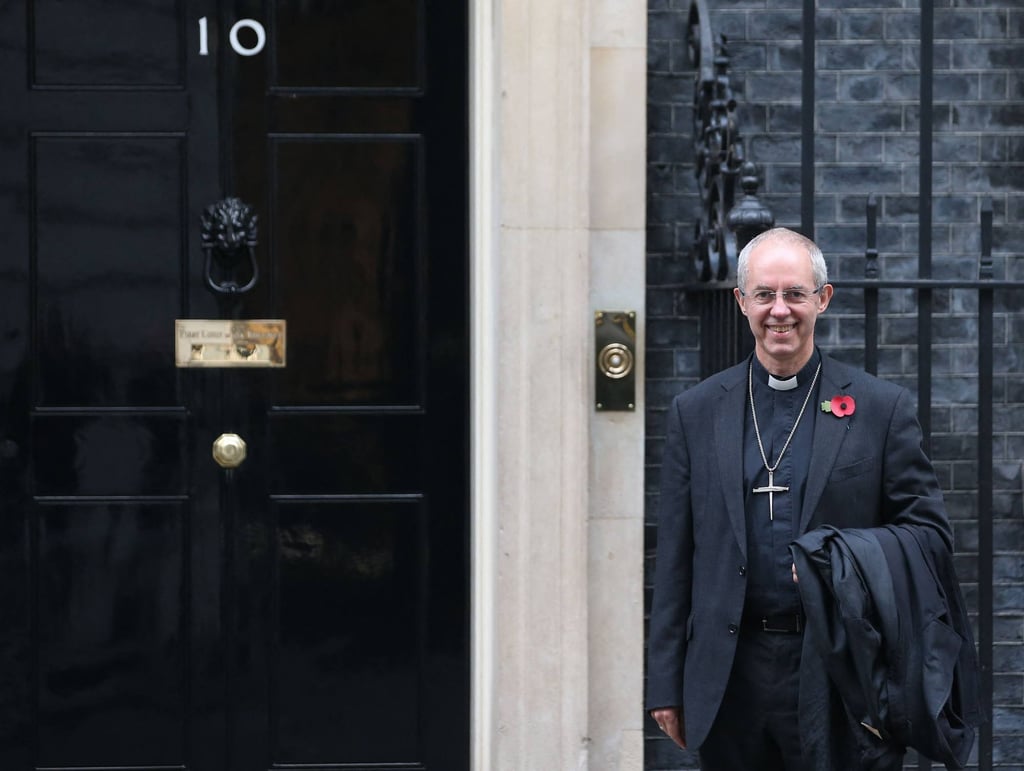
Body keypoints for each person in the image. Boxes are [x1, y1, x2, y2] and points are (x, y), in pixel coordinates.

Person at [646, 227, 955, 770]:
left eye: (795, 293)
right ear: (741, 302)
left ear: (823, 299)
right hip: (730, 678)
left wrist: (836, 559)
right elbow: (675, 557)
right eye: (764, 294)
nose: (780, 310)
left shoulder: (882, 410)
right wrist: (665, 684)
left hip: (841, 675)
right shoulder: (695, 412)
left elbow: (929, 537)